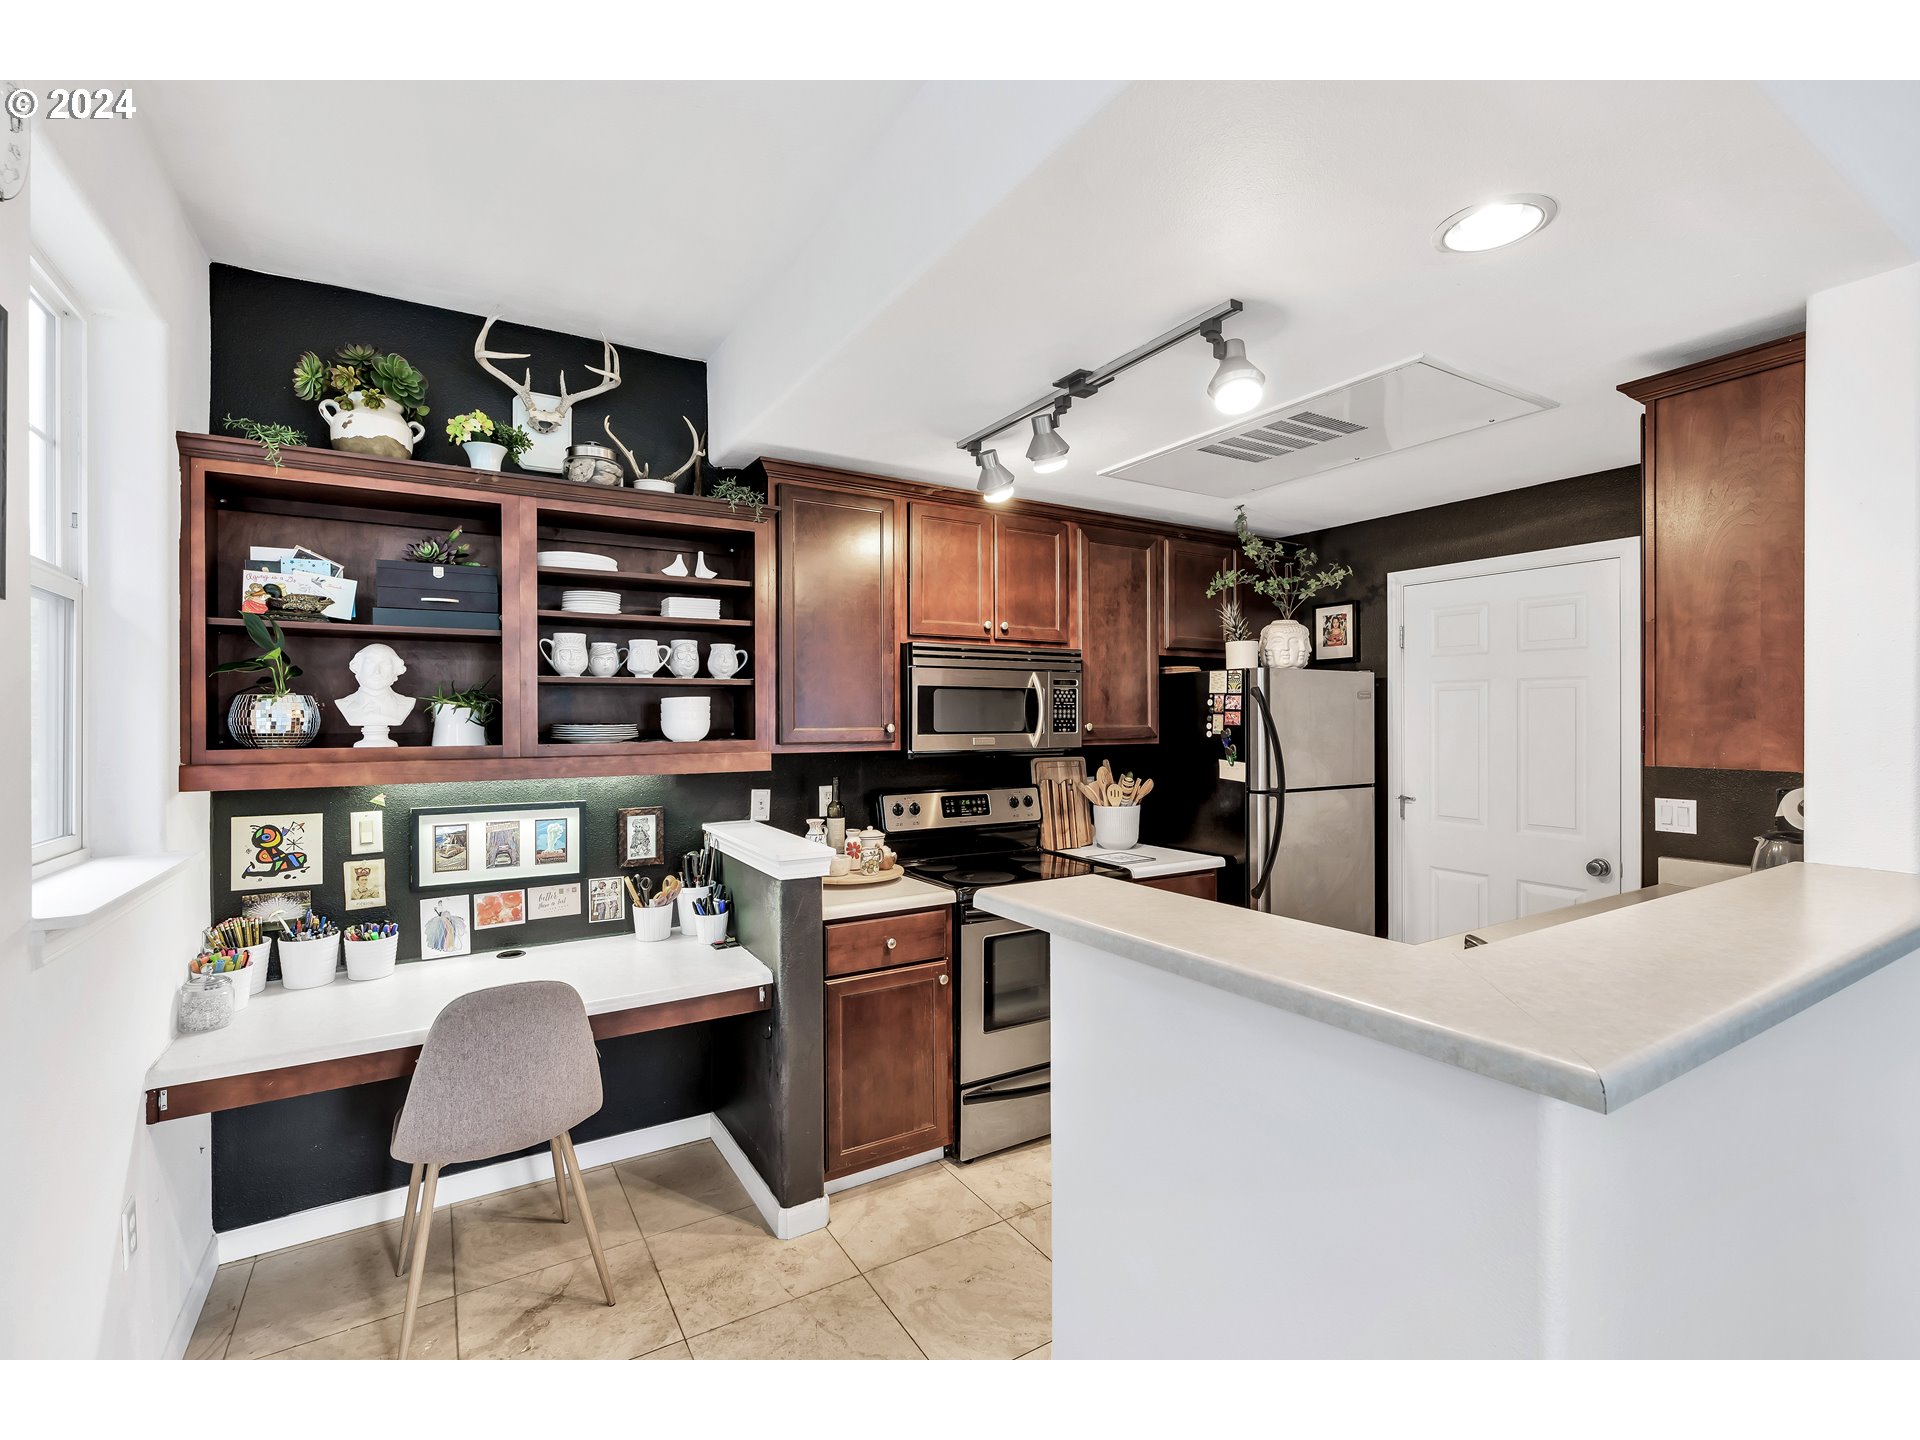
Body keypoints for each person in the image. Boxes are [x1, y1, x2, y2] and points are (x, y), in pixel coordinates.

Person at [336, 643, 416, 747]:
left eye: (385, 664)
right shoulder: (344, 704)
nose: (377, 671)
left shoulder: (406, 703)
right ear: (358, 668)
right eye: (370, 663)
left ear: (395, 671)